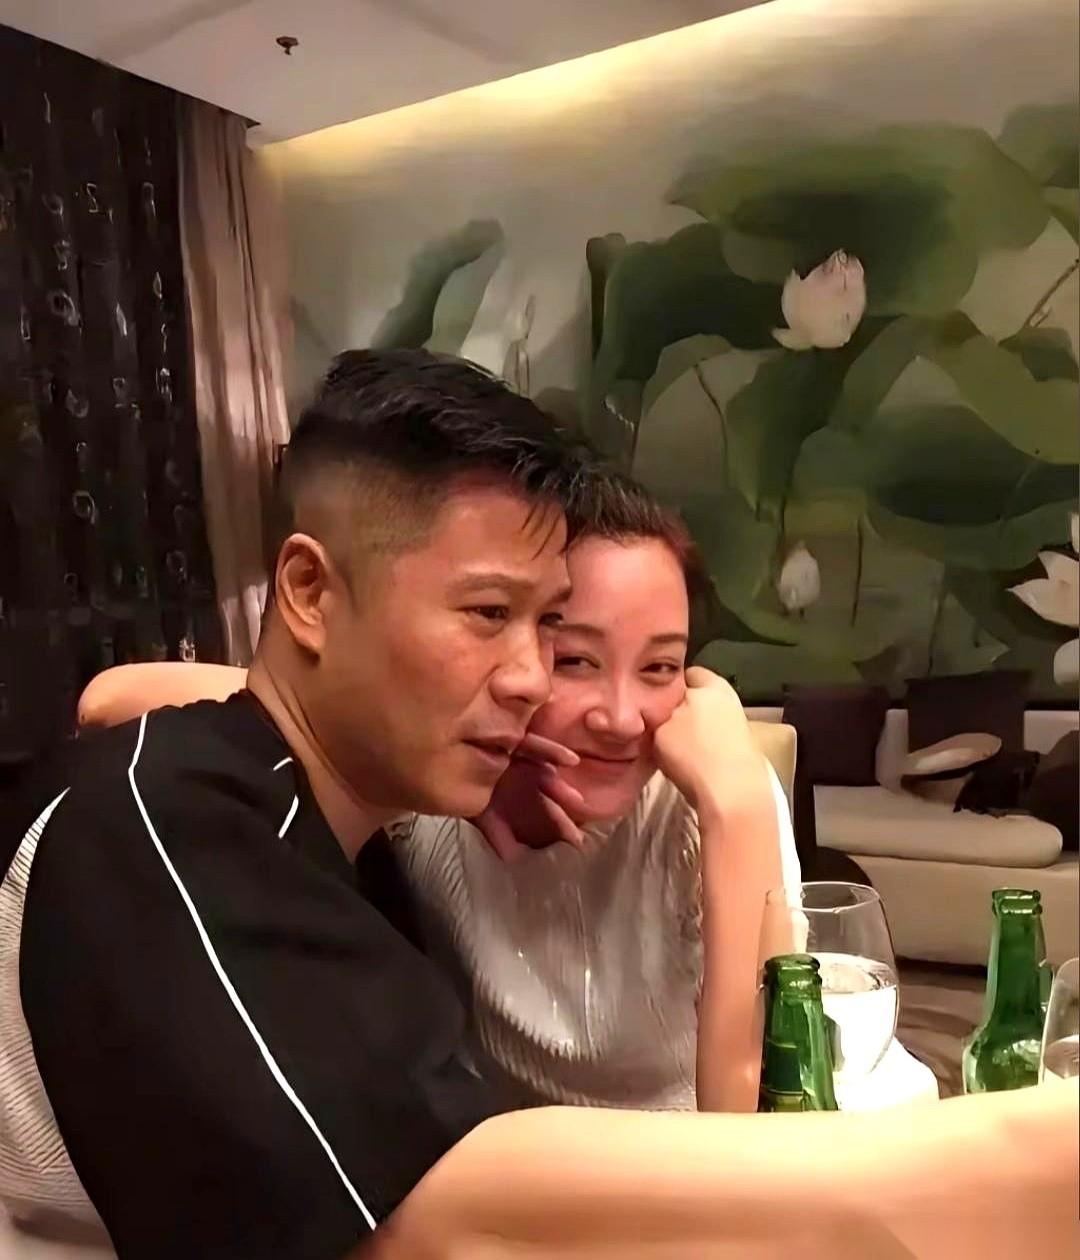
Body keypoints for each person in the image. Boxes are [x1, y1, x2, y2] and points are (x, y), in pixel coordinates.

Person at [43, 353, 1080, 1259]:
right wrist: (1002, 1159)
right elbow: (435, 1220)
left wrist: (728, 797)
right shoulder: (208, 816)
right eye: (498, 618)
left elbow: (743, 1115)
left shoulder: (373, 809)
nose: (534, 679)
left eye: (549, 631)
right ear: (311, 593)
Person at [395, 473, 801, 1112]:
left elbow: (753, 1116)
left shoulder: (708, 805)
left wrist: (740, 807)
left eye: (659, 667)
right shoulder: (429, 796)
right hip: (526, 1164)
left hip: (705, 1158)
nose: (621, 719)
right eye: (575, 661)